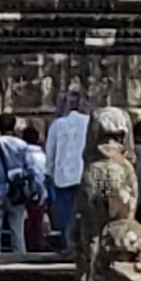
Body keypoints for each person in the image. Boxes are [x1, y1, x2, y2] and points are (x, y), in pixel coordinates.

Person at [0, 118, 37, 257]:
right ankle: (20, 258)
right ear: (14, 126)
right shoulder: (22, 146)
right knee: (17, 227)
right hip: (16, 191)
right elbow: (30, 169)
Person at [42, 95, 91, 250]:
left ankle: (68, 243)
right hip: (87, 175)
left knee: (66, 213)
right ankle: (87, 242)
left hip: (62, 176)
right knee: (89, 210)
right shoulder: (90, 122)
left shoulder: (58, 125)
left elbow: (50, 151)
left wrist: (48, 173)